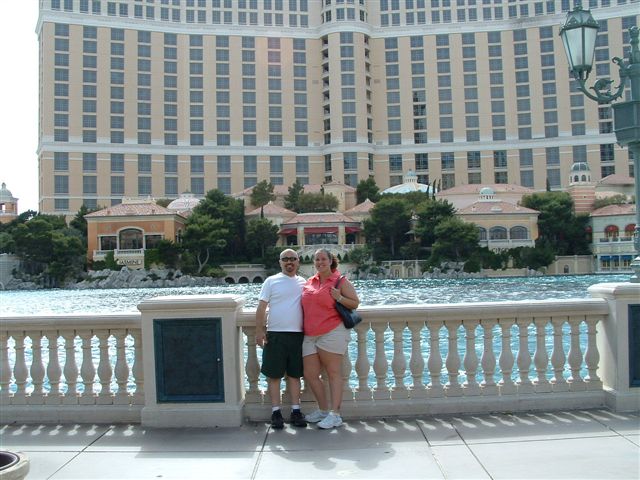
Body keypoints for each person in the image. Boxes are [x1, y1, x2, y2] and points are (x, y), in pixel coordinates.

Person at [301, 248, 359, 429]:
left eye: (323, 259)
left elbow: (355, 303)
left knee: (333, 373)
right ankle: (323, 410)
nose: (320, 262)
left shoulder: (340, 280)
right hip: (309, 334)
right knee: (310, 374)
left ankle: (335, 415)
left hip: (332, 331)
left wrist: (339, 297)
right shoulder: (310, 281)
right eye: (317, 259)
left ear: (331, 261)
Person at [256, 249, 308, 429]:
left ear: (298, 261)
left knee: (295, 375)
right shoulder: (271, 281)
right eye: (285, 259)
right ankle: (276, 412)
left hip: (298, 335)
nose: (289, 262)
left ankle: (296, 411)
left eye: (293, 259)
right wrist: (259, 330)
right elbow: (261, 307)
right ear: (280, 262)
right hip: (275, 335)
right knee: (274, 375)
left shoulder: (304, 283)